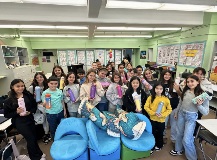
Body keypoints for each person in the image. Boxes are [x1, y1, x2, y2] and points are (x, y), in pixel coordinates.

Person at [170, 75, 209, 160]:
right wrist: (176, 112)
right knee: (179, 133)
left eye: (192, 81)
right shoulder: (185, 91)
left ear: (198, 82)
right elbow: (181, 103)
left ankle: (192, 158)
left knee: (187, 139)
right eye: (188, 82)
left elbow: (206, 112)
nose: (190, 83)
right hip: (181, 114)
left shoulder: (203, 94)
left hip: (191, 117)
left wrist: (199, 105)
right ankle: (178, 149)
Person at [4, 79, 45, 160]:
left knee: (34, 137)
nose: (20, 88)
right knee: (30, 139)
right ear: (12, 87)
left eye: (22, 86)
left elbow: (34, 106)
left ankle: (39, 153)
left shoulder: (27, 95)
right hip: (20, 122)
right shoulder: (8, 100)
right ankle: (34, 157)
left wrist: (30, 112)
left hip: (29, 119)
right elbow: (7, 115)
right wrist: (16, 112)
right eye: (18, 86)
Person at [144, 81, 172, 154]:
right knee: (152, 133)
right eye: (157, 88)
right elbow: (146, 107)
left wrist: (162, 115)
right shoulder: (150, 97)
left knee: (160, 133)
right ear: (154, 89)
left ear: (163, 90)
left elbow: (169, 109)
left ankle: (159, 145)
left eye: (160, 89)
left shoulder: (166, 99)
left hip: (161, 120)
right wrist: (153, 113)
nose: (158, 90)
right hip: (152, 119)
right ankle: (152, 146)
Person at [159, 70, 181, 142]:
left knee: (174, 125)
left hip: (174, 106)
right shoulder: (159, 83)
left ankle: (173, 139)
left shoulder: (174, 83)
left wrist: (177, 90)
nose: (167, 76)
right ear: (162, 75)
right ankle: (163, 136)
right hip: (163, 108)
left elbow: (181, 95)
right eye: (165, 74)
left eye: (169, 75)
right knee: (163, 124)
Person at [29, 72, 51, 144]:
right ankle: (44, 134)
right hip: (38, 107)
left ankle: (47, 133)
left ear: (44, 77)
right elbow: (29, 99)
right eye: (37, 78)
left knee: (47, 120)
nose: (39, 79)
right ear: (35, 79)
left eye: (41, 77)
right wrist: (34, 98)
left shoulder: (47, 85)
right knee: (41, 120)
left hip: (47, 105)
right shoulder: (32, 87)